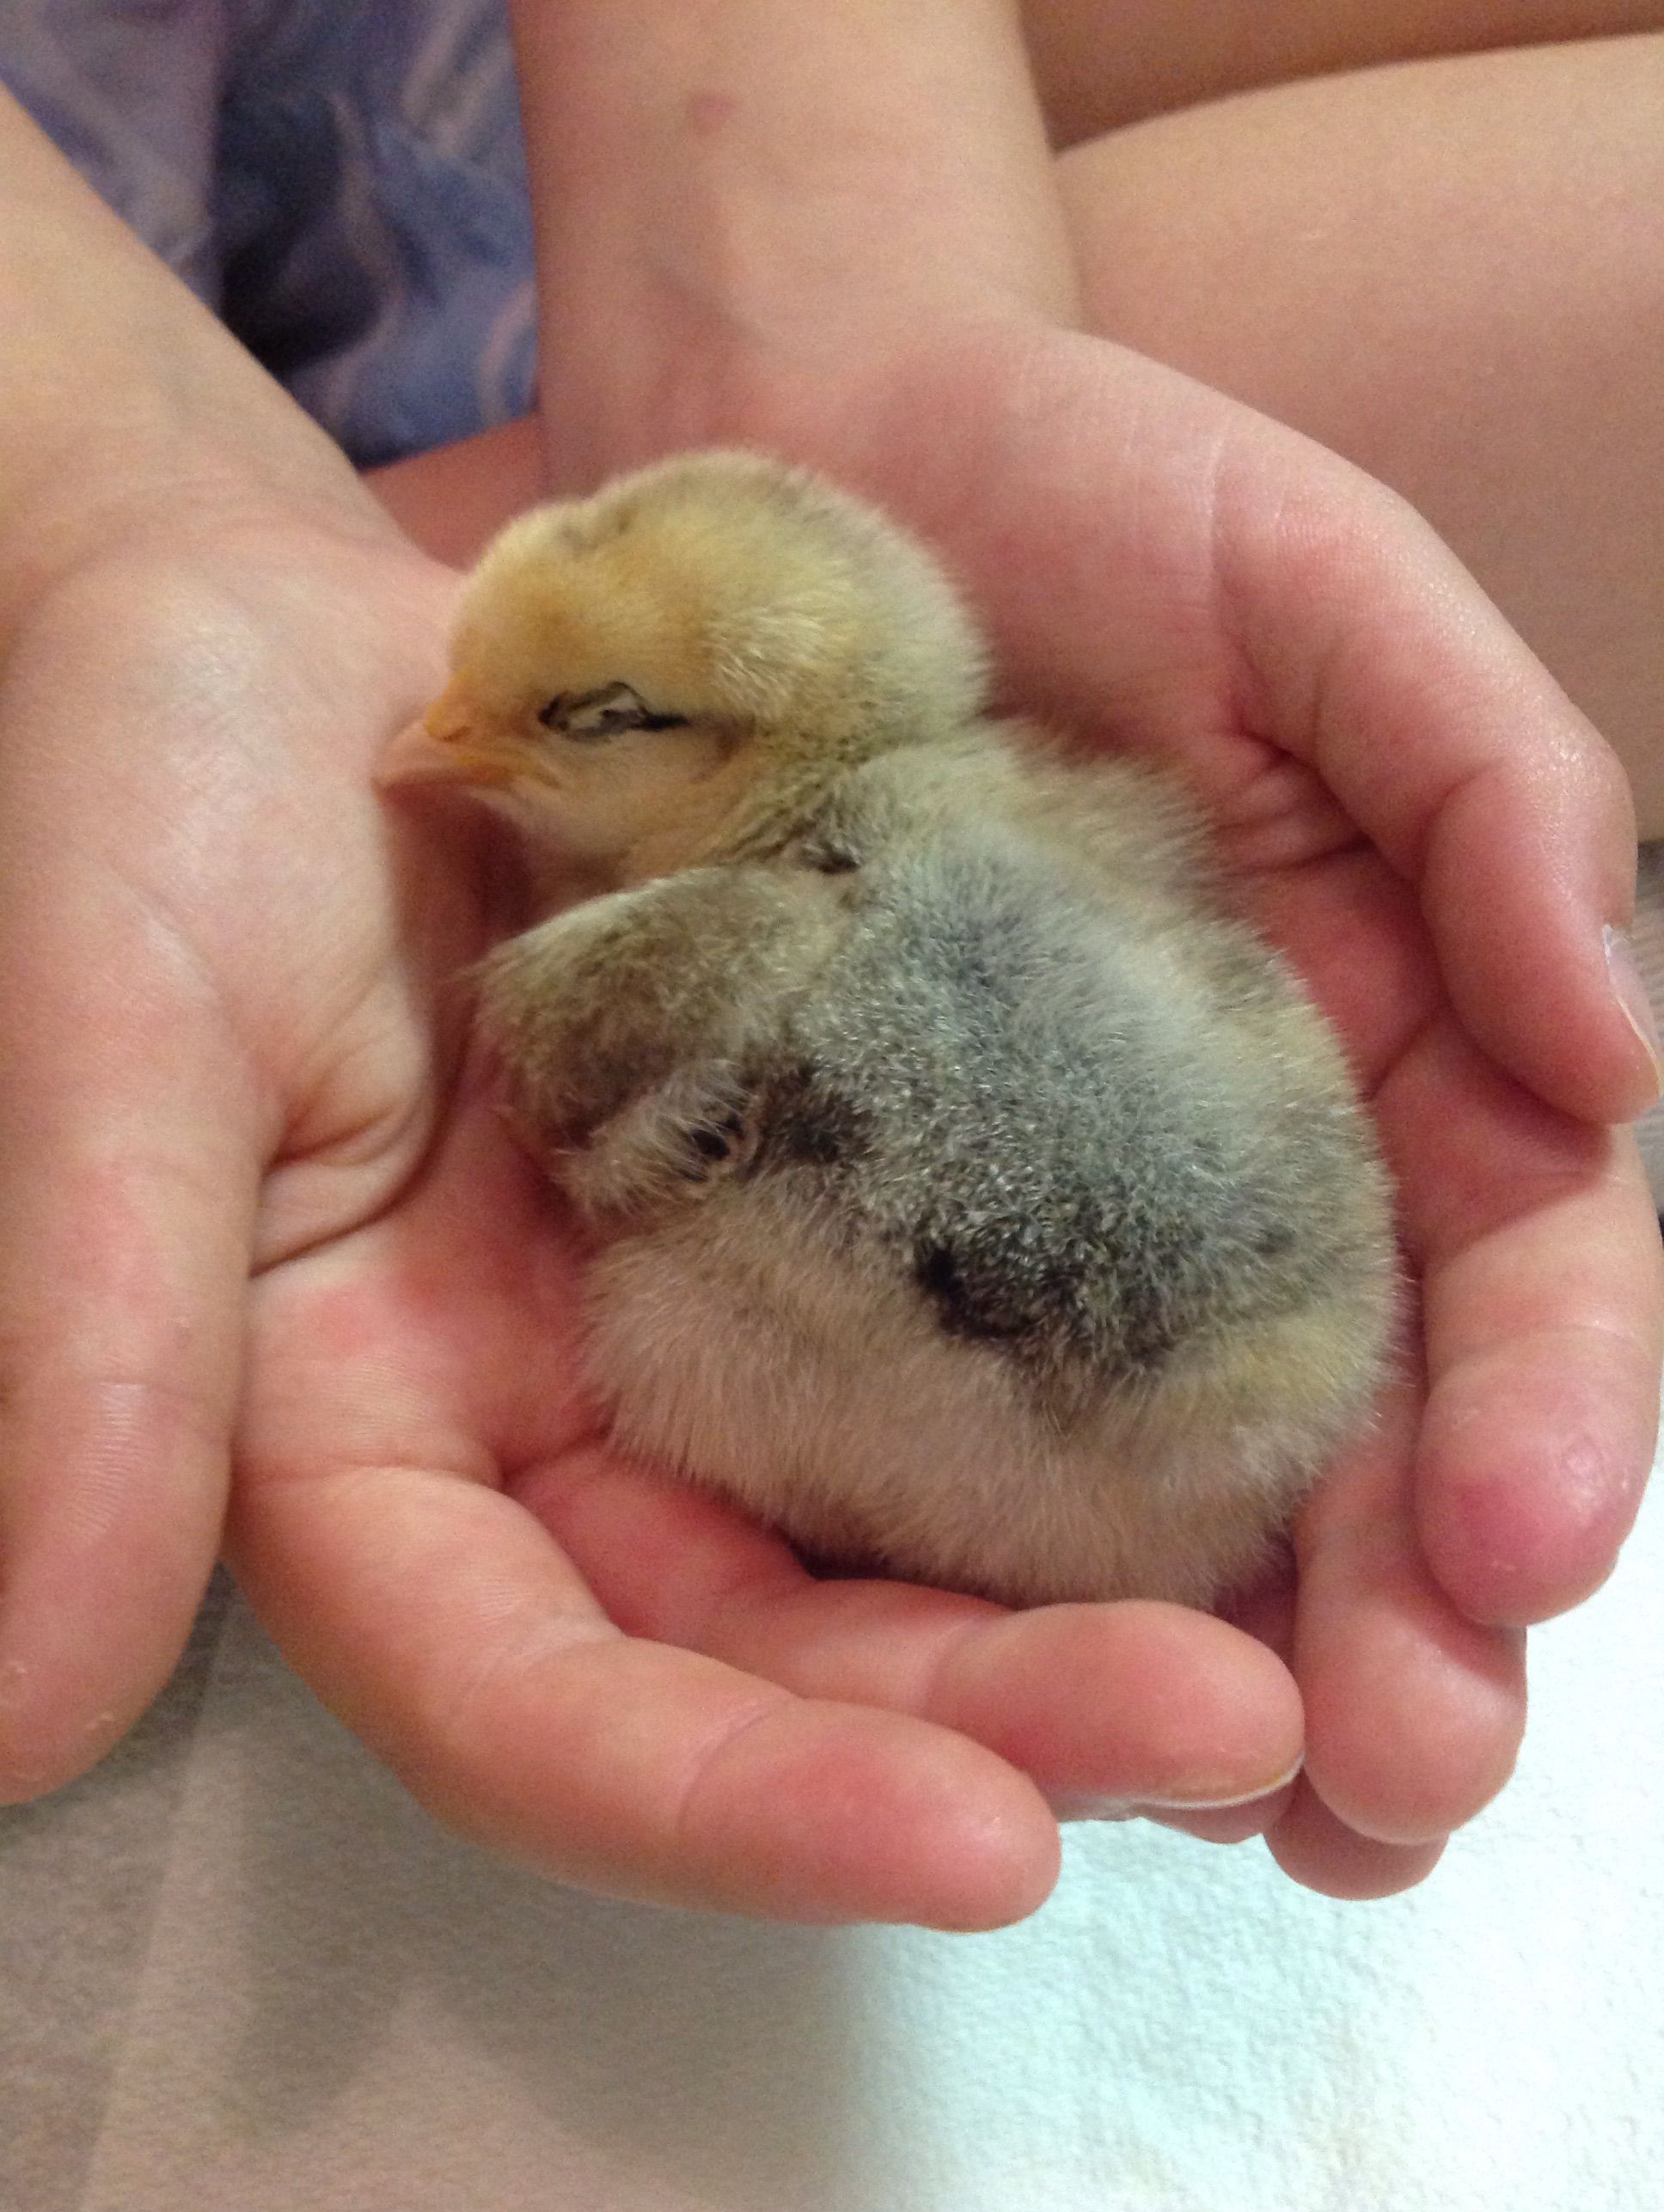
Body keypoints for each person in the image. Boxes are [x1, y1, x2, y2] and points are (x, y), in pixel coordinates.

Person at [0, 0, 1659, 1925]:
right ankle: (379, 500)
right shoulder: (958, 840)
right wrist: (97, 504)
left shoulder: (634, 983)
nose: (446, 744)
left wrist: (817, 307)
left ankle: (485, 445)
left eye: (558, 716)